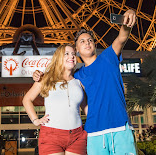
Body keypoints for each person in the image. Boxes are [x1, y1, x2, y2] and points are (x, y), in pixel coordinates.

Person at [33, 9, 137, 154]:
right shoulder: (77, 76)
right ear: (76, 49)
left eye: (90, 40)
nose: (87, 43)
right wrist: (40, 75)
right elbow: (58, 78)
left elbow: (122, 37)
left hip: (120, 127)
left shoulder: (108, 57)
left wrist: (128, 18)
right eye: (82, 41)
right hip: (94, 133)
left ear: (94, 44)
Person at [23, 44, 88, 155]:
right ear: (58, 58)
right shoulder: (46, 78)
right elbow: (27, 99)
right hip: (51, 136)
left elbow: (86, 107)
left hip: (78, 135)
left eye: (73, 54)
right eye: (66, 54)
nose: (71, 56)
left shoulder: (79, 81)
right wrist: (35, 120)